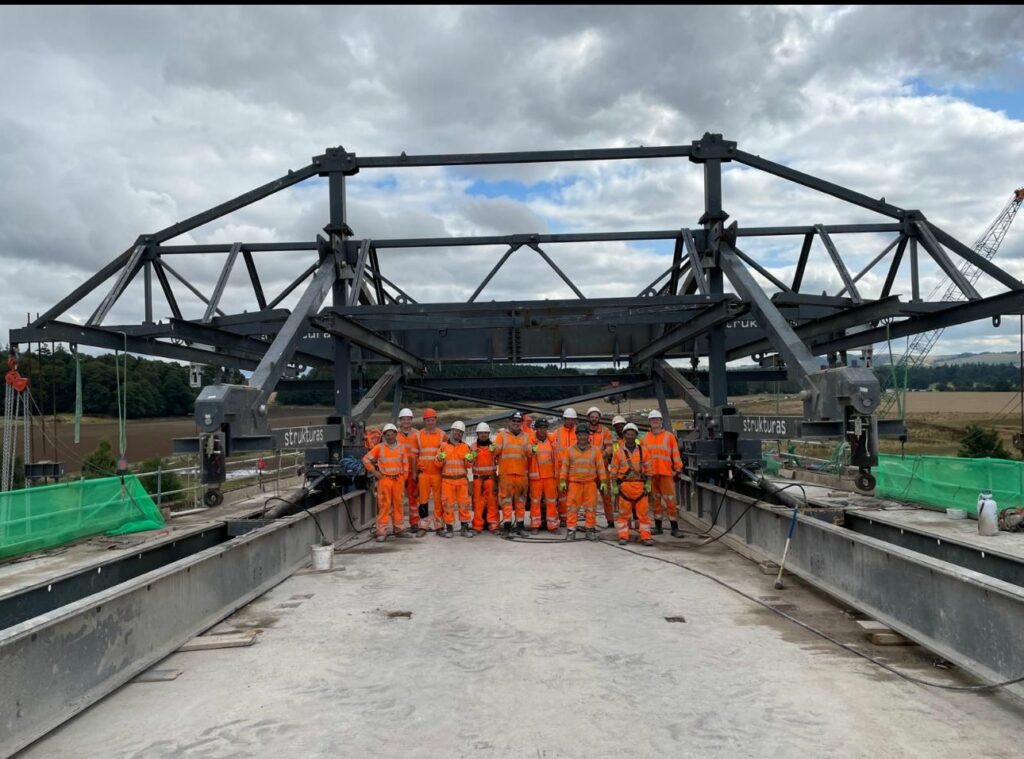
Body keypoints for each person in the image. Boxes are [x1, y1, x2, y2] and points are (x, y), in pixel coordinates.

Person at [362, 423, 412, 542]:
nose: (390, 437)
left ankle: (399, 529)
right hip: (384, 480)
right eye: (388, 435)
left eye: (392, 434)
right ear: (384, 435)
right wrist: (375, 472)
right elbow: (365, 459)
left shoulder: (401, 448)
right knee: (384, 506)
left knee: (398, 505)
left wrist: (403, 478)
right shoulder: (379, 447)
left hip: (398, 480)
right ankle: (381, 531)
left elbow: (406, 464)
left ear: (396, 434)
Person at [559, 424, 608, 541]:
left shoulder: (595, 451)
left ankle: (590, 530)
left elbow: (600, 466)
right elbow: (565, 467)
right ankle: (571, 531)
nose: (582, 437)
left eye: (585, 434)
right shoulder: (569, 450)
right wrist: (562, 480)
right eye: (580, 434)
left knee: (591, 508)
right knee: (572, 508)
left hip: (590, 483)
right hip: (574, 484)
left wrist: (603, 481)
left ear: (588, 436)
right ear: (577, 436)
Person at [611, 423, 654, 546]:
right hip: (625, 487)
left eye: (632, 434)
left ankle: (645, 536)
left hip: (640, 487)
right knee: (623, 514)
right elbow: (613, 470)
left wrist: (649, 483)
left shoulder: (644, 451)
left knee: (643, 514)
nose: (630, 436)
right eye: (628, 434)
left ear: (636, 435)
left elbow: (649, 469)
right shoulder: (618, 452)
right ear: (624, 435)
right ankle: (623, 536)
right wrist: (614, 485)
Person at [643, 409, 684, 537]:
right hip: (652, 475)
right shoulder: (645, 439)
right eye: (652, 420)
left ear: (661, 421)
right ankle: (658, 527)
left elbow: (675, 454)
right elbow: (642, 458)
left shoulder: (669, 436)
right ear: (649, 422)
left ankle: (674, 528)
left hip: (666, 474)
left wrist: (678, 469)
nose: (655, 421)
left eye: (657, 419)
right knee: (655, 502)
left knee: (670, 502)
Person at [494, 411, 532, 537]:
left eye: (518, 421)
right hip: (507, 474)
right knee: (506, 502)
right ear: (509, 422)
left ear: (521, 423)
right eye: (514, 421)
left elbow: (529, 453)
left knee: (521, 501)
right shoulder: (502, 435)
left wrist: (533, 450)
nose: (516, 423)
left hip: (521, 474)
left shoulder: (526, 436)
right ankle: (507, 527)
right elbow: (495, 451)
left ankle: (520, 526)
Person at [412, 408, 447, 537]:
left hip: (437, 474)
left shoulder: (442, 435)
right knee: (423, 501)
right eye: (427, 420)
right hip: (424, 474)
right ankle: (423, 526)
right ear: (424, 421)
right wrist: (415, 473)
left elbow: (445, 455)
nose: (430, 422)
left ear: (435, 420)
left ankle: (439, 526)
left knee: (438, 501)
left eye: (432, 420)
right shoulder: (418, 435)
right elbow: (414, 456)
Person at [437, 421, 474, 538]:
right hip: (447, 480)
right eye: (456, 431)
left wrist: (470, 459)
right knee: (448, 505)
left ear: (462, 434)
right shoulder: (443, 446)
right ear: (452, 431)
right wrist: (439, 459)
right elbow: (437, 464)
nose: (457, 433)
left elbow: (469, 466)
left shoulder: (465, 447)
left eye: (460, 432)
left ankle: (464, 528)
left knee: (464, 505)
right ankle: (449, 529)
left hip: (462, 480)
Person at [527, 418, 559, 533]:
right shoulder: (531, 441)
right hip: (536, 478)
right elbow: (527, 456)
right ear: (536, 428)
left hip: (550, 477)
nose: (542, 430)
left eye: (544, 428)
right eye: (540, 427)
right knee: (535, 502)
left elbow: (556, 459)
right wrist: (531, 451)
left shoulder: (551, 442)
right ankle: (535, 525)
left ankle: (553, 526)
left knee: (551, 502)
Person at [585, 406, 615, 528]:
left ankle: (610, 520)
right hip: (588, 470)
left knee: (606, 496)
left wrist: (600, 455)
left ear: (599, 418)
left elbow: (609, 447)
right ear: (588, 418)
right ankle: (590, 522)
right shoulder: (583, 430)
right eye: (592, 417)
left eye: (596, 417)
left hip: (602, 470)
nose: (594, 419)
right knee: (590, 498)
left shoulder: (605, 431)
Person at [469, 422, 500, 534]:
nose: (483, 435)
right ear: (477, 434)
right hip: (478, 480)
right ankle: (477, 526)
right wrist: (470, 482)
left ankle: (493, 525)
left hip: (491, 479)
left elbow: (500, 460)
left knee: (492, 503)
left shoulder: (494, 447)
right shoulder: (472, 447)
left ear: (488, 434)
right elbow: (468, 464)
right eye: (481, 433)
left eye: (485, 433)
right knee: (478, 504)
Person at [396, 408, 422, 535]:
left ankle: (415, 523)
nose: (406, 421)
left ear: (412, 420)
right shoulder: (394, 435)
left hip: (413, 471)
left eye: (408, 419)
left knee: (414, 499)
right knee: (398, 499)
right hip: (398, 472)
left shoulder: (417, 434)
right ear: (400, 421)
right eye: (403, 419)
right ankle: (398, 525)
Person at [553, 408, 578, 526]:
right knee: (562, 495)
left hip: (574, 469)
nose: (571, 422)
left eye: (573, 419)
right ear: (564, 419)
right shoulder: (557, 433)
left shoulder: (579, 433)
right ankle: (563, 518)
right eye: (569, 419)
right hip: (560, 469)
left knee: (573, 495)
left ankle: (571, 518)